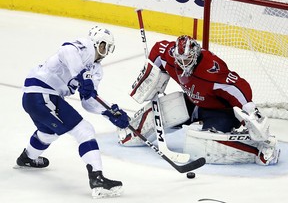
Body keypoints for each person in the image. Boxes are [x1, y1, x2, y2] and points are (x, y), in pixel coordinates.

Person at [118, 35, 280, 166]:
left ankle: (258, 150)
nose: (182, 63)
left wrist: (249, 108)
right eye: (179, 59)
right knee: (167, 108)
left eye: (187, 59)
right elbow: (157, 51)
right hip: (193, 102)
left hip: (220, 112)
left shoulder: (211, 69)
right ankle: (133, 131)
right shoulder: (170, 55)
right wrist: (150, 76)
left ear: (195, 56)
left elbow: (236, 86)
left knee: (198, 147)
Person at [15, 26, 130, 198]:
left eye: (108, 48)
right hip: (42, 92)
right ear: (96, 43)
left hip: (40, 98)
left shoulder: (96, 70)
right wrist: (82, 74)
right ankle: (97, 178)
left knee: (49, 132)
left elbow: (89, 101)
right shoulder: (85, 47)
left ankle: (27, 158)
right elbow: (66, 50)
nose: (104, 51)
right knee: (85, 131)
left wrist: (109, 112)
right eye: (103, 45)